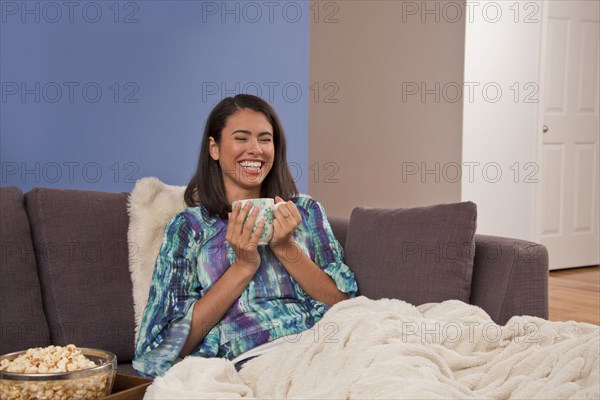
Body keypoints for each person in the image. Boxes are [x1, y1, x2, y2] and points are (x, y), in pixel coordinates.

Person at [133, 94, 358, 378]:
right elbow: (161, 348)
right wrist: (242, 266)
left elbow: (346, 306)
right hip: (257, 358)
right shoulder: (189, 227)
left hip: (329, 344)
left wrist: (286, 248)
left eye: (265, 139)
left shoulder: (306, 212)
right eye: (241, 138)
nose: (256, 149)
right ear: (214, 148)